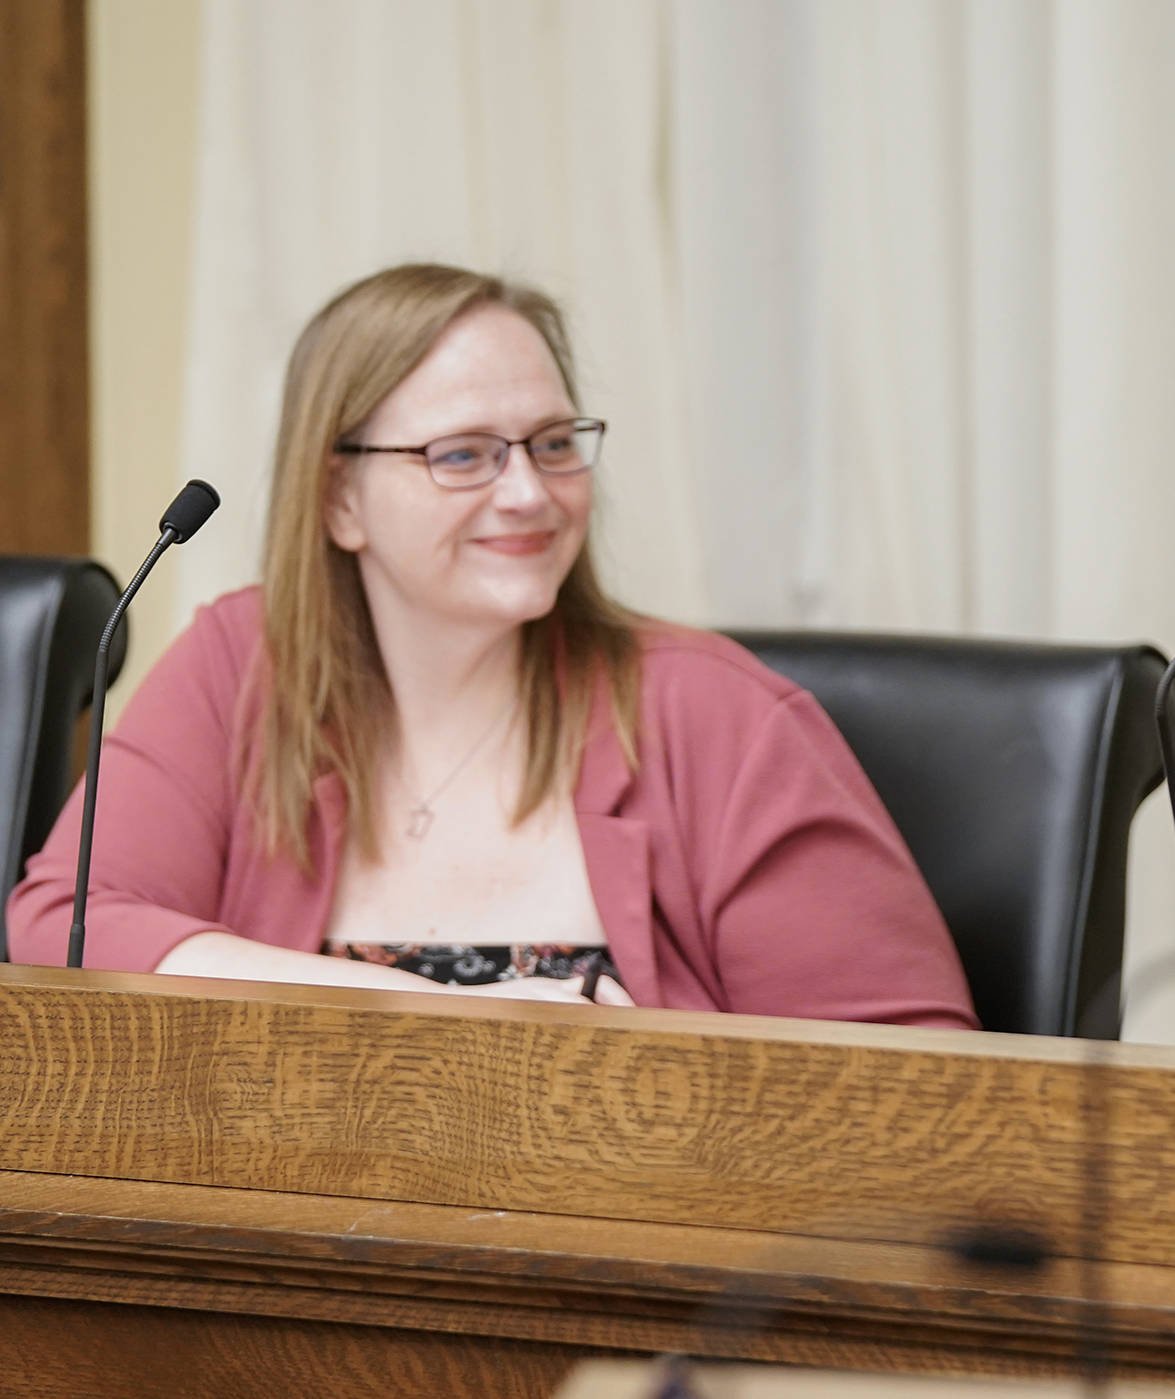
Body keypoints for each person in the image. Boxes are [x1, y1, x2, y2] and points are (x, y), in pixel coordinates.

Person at [7, 264, 978, 1030]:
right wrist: (449, 1011)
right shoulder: (238, 664)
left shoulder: (720, 715)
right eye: (463, 454)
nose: (529, 492)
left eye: (554, 442)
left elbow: (918, 1080)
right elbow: (63, 925)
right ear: (340, 499)